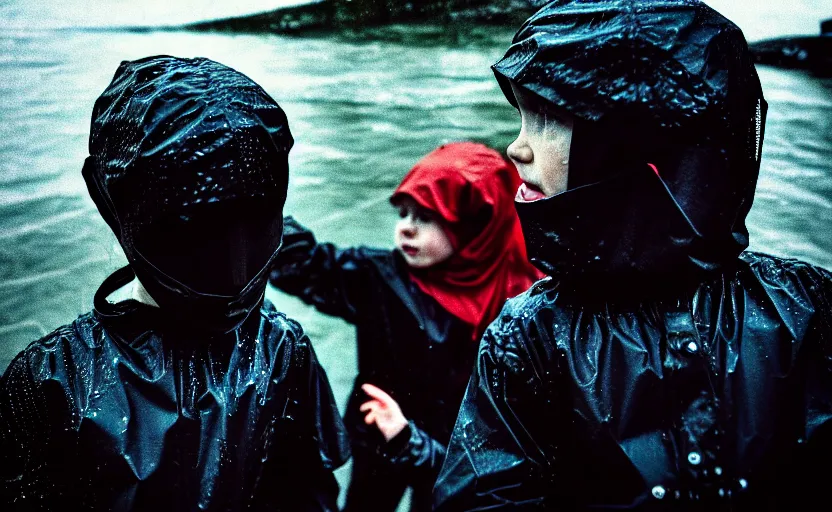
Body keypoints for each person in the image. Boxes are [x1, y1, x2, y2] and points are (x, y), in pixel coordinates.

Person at [434, 0, 832, 510]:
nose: (516, 149)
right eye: (522, 119)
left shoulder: (805, 312)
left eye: (548, 120)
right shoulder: (529, 337)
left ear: (633, 142)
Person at [0, 55, 350, 511]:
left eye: (253, 220)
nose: (234, 273)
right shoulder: (282, 349)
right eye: (196, 230)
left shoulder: (56, 379)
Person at [269, 141, 541, 511]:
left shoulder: (519, 297)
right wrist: (261, 204)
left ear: (475, 226)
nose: (407, 230)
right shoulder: (382, 277)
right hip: (378, 431)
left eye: (426, 218)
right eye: (404, 214)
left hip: (457, 448)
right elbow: (305, 264)